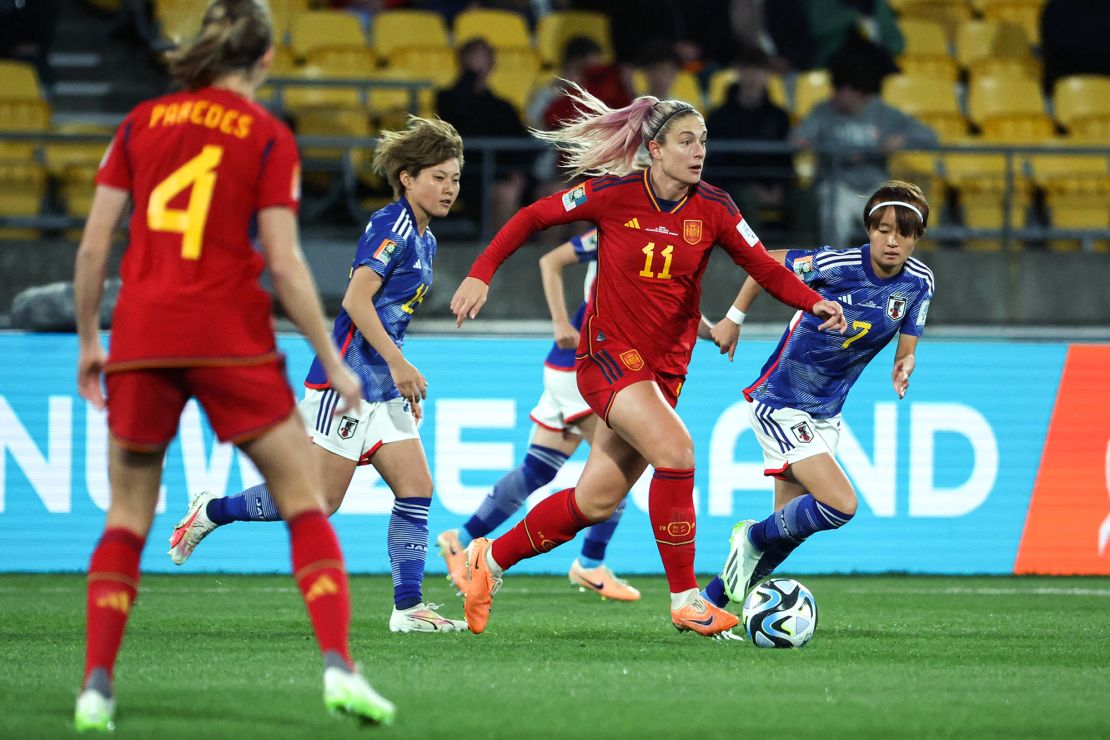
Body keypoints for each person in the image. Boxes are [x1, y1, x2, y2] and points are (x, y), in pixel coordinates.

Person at [71, 1, 394, 731]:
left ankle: (96, 687)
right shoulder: (268, 136)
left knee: (127, 515)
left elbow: (94, 248)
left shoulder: (139, 123)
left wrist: (91, 339)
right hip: (228, 337)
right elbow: (282, 263)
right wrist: (330, 358)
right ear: (266, 60)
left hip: (143, 335)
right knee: (305, 501)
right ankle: (340, 669)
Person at [450, 81, 847, 637]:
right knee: (678, 450)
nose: (698, 151)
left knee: (593, 501)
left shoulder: (716, 208)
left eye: (703, 141)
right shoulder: (613, 193)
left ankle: (485, 562)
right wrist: (480, 272)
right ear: (656, 149)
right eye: (686, 141)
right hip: (608, 356)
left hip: (664, 370)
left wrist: (813, 301)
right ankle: (686, 597)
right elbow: (532, 218)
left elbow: (764, 266)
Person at [166, 115, 468, 634]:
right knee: (320, 502)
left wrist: (399, 379)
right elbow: (355, 300)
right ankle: (212, 510)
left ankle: (408, 609)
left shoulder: (428, 240)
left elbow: (391, 317)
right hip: (346, 382)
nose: (449, 188)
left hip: (381, 386)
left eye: (456, 178)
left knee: (417, 487)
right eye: (438, 176)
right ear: (408, 178)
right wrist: (398, 365)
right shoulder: (391, 227)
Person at [700, 180, 934, 609]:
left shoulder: (919, 283)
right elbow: (764, 262)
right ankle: (747, 535)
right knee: (840, 504)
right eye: (883, 229)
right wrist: (733, 318)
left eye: (903, 232)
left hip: (825, 415)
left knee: (784, 535)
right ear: (868, 230)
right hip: (782, 403)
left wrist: (905, 363)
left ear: (917, 238)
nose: (892, 240)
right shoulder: (836, 264)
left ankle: (708, 606)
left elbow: (908, 339)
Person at [436, 229, 641, 603]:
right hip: (581, 368)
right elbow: (551, 260)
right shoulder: (616, 227)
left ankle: (459, 541)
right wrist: (561, 322)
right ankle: (590, 563)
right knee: (621, 463)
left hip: (579, 366)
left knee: (538, 469)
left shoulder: (663, 232)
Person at [793, 36, 937, 249]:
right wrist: (808, 142)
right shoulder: (823, 110)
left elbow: (930, 136)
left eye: (841, 89)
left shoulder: (881, 112)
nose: (835, 95)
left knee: (897, 225)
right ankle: (833, 273)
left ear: (858, 91)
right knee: (833, 213)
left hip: (874, 188)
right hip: (837, 186)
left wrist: (901, 140)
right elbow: (798, 138)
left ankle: (899, 279)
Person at [435, 37, 529, 231]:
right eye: (472, 57)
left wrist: (517, 170)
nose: (478, 62)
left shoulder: (503, 106)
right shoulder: (447, 98)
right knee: (505, 193)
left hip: (506, 173)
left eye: (483, 57)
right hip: (469, 173)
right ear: (462, 62)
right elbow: (457, 118)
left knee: (561, 192)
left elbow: (521, 142)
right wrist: (469, 76)